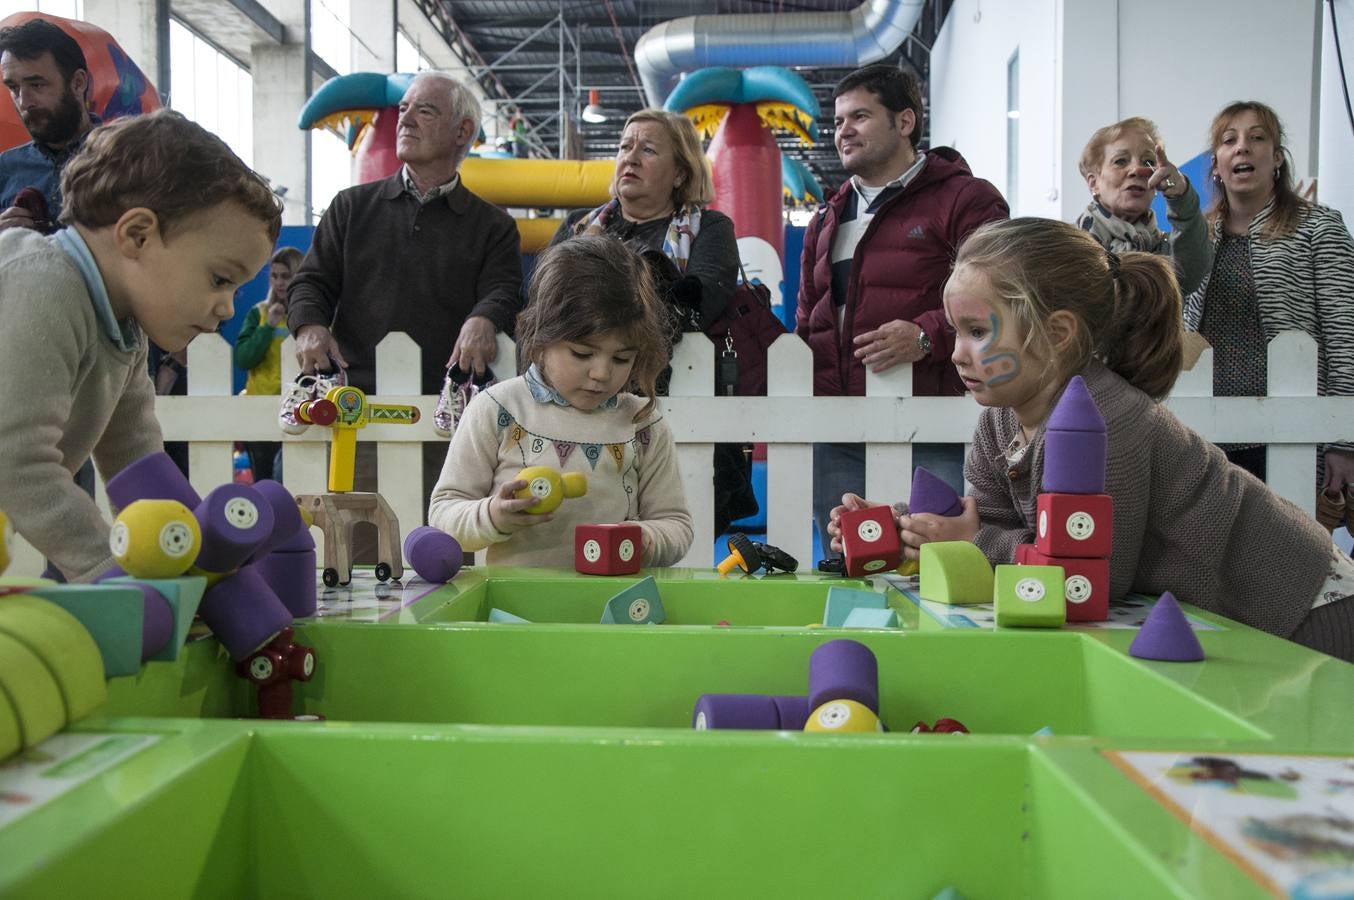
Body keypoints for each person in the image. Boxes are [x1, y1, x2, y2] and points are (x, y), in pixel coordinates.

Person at [829, 218, 1354, 660]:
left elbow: (1095, 578)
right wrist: (908, 529)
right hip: (1231, 617)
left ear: (1058, 333)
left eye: (978, 331)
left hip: (1305, 606)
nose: (957, 352)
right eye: (955, 330)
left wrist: (971, 543)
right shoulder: (999, 421)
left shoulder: (1105, 420)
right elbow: (991, 523)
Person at [0, 109, 281, 581]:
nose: (228, 308)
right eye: (219, 279)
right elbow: (13, 460)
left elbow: (136, 461)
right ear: (137, 235)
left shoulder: (123, 328)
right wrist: (111, 576)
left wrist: (193, 564)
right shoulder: (41, 283)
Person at [286, 71, 522, 541]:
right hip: (359, 417)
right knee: (356, 558)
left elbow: (507, 290)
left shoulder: (493, 226)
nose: (405, 118)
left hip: (452, 426)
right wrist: (309, 325)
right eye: (405, 108)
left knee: (449, 555)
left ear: (462, 133)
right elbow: (310, 282)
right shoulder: (349, 208)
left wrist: (485, 316)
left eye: (425, 110)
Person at [798, 64, 1008, 552]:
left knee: (934, 562)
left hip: (933, 420)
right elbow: (809, 321)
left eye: (860, 116)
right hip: (837, 427)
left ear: (905, 121)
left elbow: (999, 290)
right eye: (837, 121)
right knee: (848, 562)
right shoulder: (825, 219)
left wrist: (926, 335)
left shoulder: (966, 199)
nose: (843, 131)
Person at [428, 235, 693, 568]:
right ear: (542, 336)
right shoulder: (498, 409)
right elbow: (444, 513)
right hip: (513, 613)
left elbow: (676, 525)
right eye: (582, 353)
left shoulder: (643, 423)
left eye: (622, 358)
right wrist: (493, 515)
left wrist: (645, 539)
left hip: (615, 612)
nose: (601, 373)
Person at [552, 108, 748, 533]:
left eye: (648, 149)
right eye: (625, 146)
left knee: (675, 539)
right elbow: (542, 308)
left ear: (680, 172)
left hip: (679, 410)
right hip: (581, 413)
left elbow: (699, 303)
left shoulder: (711, 228)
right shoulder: (577, 225)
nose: (631, 157)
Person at [1183, 101, 1354, 524]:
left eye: (1257, 138)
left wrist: (1344, 440)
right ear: (1217, 165)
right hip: (1207, 436)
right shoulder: (1194, 239)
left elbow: (1346, 334)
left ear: (1277, 158)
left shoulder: (1320, 227)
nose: (1243, 148)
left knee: (1290, 566)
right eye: (1230, 140)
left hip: (1293, 435)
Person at [1076, 116, 1211, 296]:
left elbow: (1191, 274)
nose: (1138, 170)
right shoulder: (1072, 247)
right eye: (1120, 161)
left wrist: (1181, 196)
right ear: (1093, 183)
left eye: (1148, 162)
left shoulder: (1169, 249)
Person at [0, 18, 96, 233]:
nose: (24, 102)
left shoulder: (126, 160)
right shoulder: (5, 168)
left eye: (36, 84)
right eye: (14, 87)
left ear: (78, 83)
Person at [234, 246, 303, 482]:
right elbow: (243, 358)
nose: (279, 282)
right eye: (274, 276)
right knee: (264, 480)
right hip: (260, 406)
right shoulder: (259, 314)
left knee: (294, 477)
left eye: (286, 276)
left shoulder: (309, 317)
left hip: (298, 409)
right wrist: (268, 327)